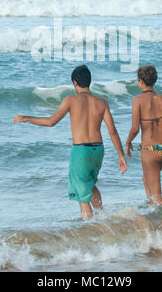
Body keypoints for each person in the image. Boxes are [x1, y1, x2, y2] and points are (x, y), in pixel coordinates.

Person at [13, 65, 127, 220]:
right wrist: (121, 155)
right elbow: (112, 131)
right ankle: (103, 216)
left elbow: (51, 122)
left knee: (82, 195)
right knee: (91, 184)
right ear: (89, 81)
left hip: (81, 151)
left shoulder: (70, 100)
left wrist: (26, 118)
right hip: (98, 150)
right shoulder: (102, 102)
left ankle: (90, 229)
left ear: (75, 82)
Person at [125, 65, 162, 205]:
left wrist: (128, 141)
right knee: (146, 178)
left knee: (157, 195)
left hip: (151, 150)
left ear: (141, 81)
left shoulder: (137, 100)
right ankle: (152, 214)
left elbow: (135, 128)